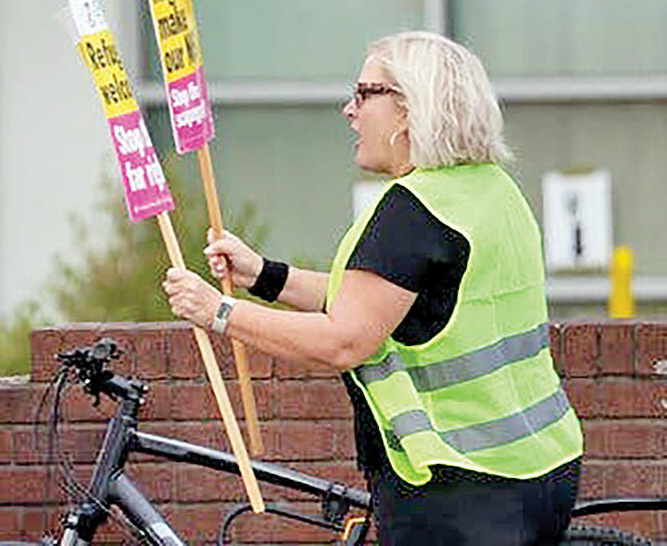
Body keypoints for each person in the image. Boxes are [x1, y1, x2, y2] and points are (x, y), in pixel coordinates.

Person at [163, 31, 583, 545]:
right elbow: (396, 301)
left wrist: (218, 312)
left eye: (364, 93)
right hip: (544, 469)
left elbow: (344, 340)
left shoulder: (411, 212)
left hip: (454, 486)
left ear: (407, 110)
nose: (349, 110)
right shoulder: (493, 189)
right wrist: (262, 276)